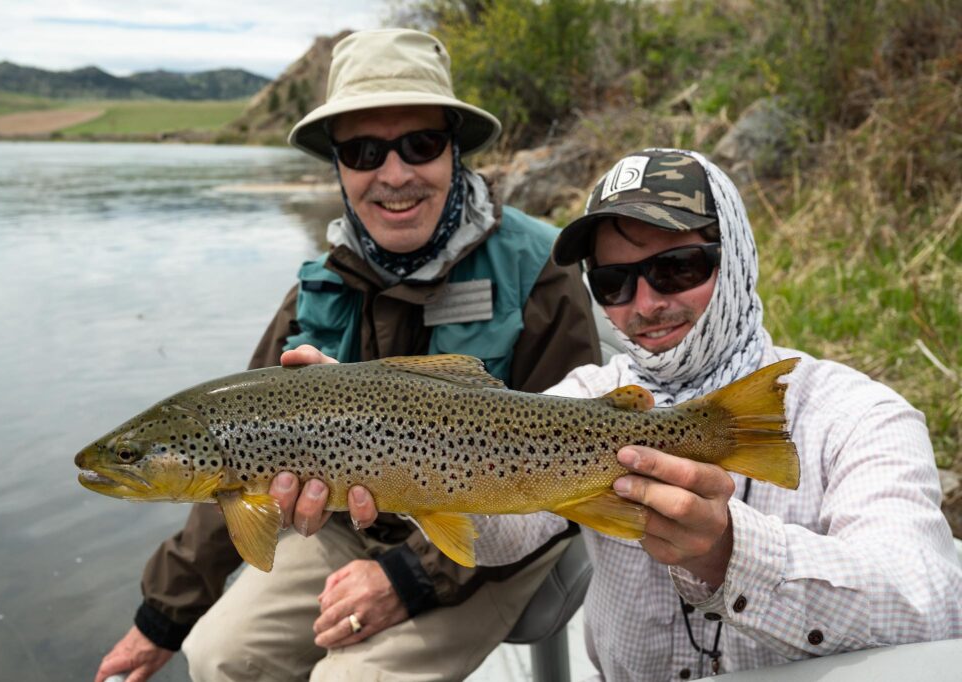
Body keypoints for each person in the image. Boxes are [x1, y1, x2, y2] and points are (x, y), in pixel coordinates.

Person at [286, 148, 962, 679]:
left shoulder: (857, 414)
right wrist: (378, 434)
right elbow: (498, 536)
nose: (644, 305)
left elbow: (931, 601)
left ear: (740, 257)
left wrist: (733, 551)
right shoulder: (589, 398)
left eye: (677, 269)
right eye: (613, 282)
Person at [94, 28, 600, 682]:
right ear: (338, 165)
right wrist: (158, 622)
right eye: (364, 151)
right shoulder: (315, 290)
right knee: (221, 657)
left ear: (454, 151)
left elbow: (569, 464)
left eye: (420, 144)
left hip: (497, 532)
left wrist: (410, 578)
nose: (394, 174)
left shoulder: (542, 270)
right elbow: (224, 473)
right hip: (352, 528)